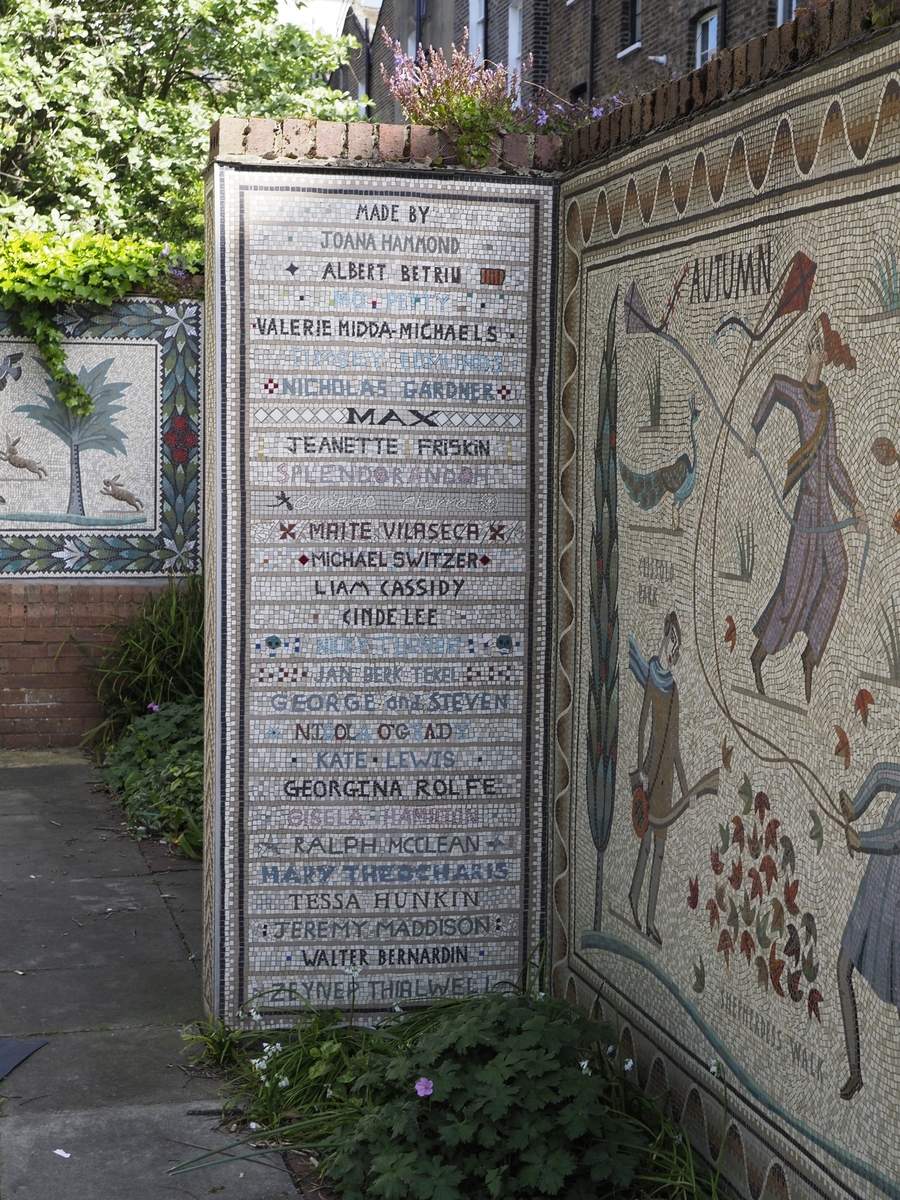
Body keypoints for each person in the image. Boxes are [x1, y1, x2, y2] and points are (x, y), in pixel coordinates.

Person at [744, 316, 867, 703]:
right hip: (805, 508)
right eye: (811, 345)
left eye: (819, 347)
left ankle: (811, 655)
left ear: (825, 358)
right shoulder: (797, 392)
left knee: (839, 569)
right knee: (793, 589)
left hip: (825, 509)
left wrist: (856, 504)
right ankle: (759, 655)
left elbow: (832, 464)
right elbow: (775, 386)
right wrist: (753, 429)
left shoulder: (826, 404)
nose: (814, 351)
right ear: (807, 352)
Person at [837, 763, 900, 1100]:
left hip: (896, 911)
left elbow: (895, 839)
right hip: (874, 889)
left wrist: (862, 840)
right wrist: (855, 806)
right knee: (841, 968)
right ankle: (854, 1071)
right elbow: (880, 774)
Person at [627, 611, 689, 946]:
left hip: (666, 780)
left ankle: (650, 918)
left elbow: (676, 743)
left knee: (660, 850)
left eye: (674, 643)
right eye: (669, 638)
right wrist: (641, 770)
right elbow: (642, 726)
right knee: (647, 845)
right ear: (663, 639)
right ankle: (634, 899)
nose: (669, 646)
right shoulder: (653, 677)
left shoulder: (675, 690)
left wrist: (685, 784)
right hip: (652, 774)